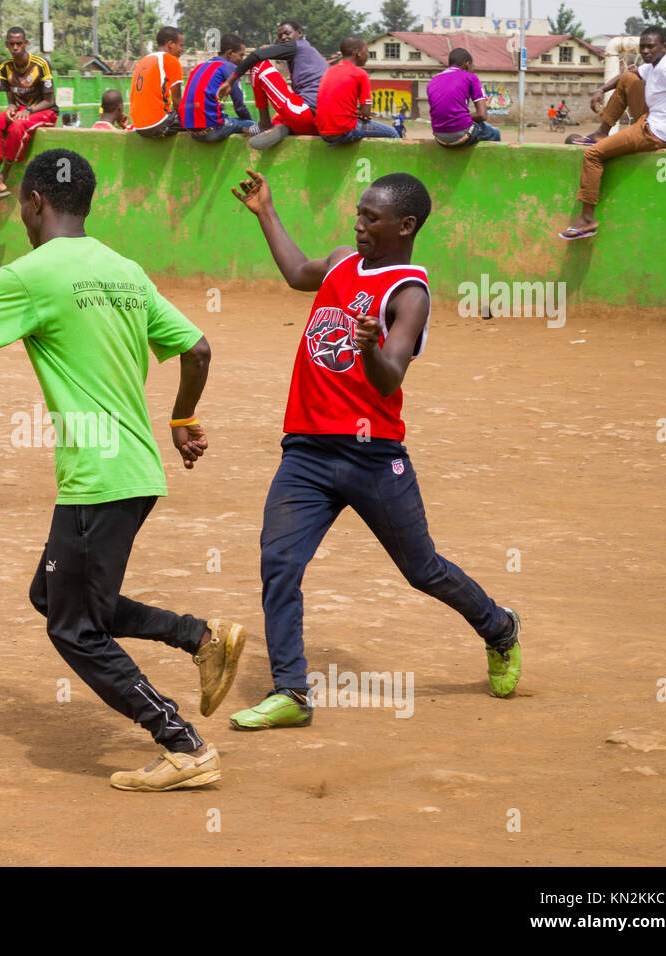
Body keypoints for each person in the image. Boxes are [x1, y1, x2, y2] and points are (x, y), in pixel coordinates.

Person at [0, 148, 247, 792]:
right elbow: (197, 348)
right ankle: (201, 638)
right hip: (133, 469)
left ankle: (183, 744)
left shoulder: (31, 273)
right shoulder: (124, 271)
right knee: (53, 597)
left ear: (33, 202)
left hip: (98, 475)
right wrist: (181, 419)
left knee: (73, 627)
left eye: (19, 206)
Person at [226, 168, 523, 730]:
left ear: (405, 226)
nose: (359, 225)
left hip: (373, 457)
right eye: (359, 214)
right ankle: (291, 691)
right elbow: (295, 273)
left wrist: (368, 347)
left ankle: (498, 626)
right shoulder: (341, 261)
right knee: (279, 563)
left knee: (423, 569)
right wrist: (265, 210)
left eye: (372, 218)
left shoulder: (409, 294)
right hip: (307, 452)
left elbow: (389, 379)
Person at [560, 27, 666, 240]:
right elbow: (628, 75)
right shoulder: (653, 66)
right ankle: (601, 133)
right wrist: (601, 90)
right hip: (650, 118)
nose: (645, 50)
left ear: (664, 47)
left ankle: (587, 220)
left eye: (650, 46)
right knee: (627, 79)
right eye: (642, 46)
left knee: (593, 155)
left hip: (655, 132)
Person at [0, 27, 57, 203]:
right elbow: (11, 101)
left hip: (44, 111)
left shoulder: (41, 64)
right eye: (12, 44)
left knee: (17, 126)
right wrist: (10, 107)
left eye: (19, 43)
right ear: (6, 45)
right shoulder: (5, 68)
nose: (15, 47)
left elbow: (50, 101)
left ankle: (4, 175)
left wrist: (29, 110)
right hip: (21, 111)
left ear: (25, 44)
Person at [225, 19, 328, 113]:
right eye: (280, 36)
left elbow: (255, 55)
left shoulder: (297, 45)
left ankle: (264, 123)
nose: (283, 37)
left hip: (309, 107)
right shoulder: (310, 50)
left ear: (299, 33)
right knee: (279, 120)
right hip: (322, 109)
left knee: (258, 65)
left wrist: (230, 82)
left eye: (287, 33)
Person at [316, 36, 399, 145]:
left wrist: (355, 112)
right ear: (358, 52)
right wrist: (361, 112)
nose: (367, 55)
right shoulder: (360, 74)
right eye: (367, 51)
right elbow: (366, 113)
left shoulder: (329, 71)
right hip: (344, 130)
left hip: (323, 132)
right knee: (394, 134)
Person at [179, 35, 258, 144]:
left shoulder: (200, 66)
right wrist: (249, 121)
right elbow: (239, 106)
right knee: (256, 126)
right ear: (230, 53)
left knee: (227, 117)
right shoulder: (230, 67)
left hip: (191, 132)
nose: (242, 60)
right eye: (241, 55)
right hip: (212, 131)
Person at [426, 49, 501, 147]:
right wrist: (460, 117)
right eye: (472, 66)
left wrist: (453, 118)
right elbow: (482, 115)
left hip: (440, 138)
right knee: (494, 133)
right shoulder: (470, 77)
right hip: (462, 135)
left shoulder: (433, 80)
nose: (473, 69)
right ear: (467, 63)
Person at [245, 55, 319, 149]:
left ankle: (268, 125)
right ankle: (281, 126)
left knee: (258, 65)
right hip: (317, 126)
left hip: (304, 116)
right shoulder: (320, 77)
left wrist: (231, 80)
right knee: (285, 114)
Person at [129, 26, 184, 139]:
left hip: (139, 126)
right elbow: (177, 102)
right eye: (181, 45)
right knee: (199, 120)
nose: (181, 49)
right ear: (170, 44)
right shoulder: (171, 60)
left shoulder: (143, 60)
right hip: (159, 124)